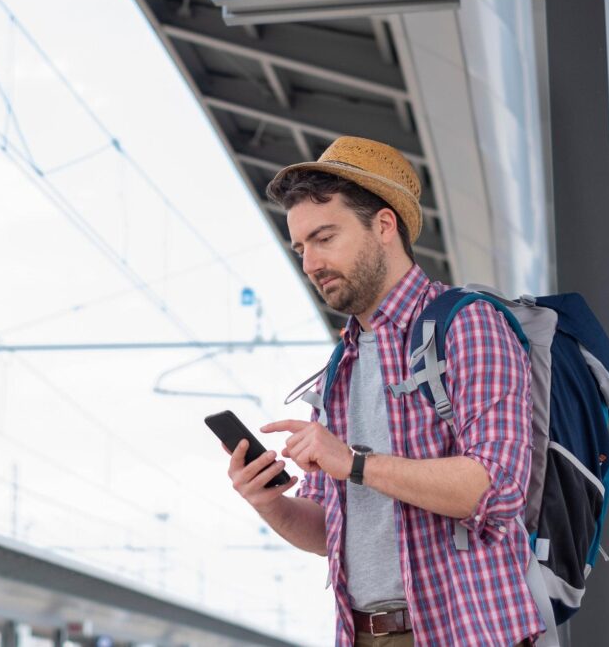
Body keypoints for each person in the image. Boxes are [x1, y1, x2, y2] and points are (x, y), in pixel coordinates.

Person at [224, 136, 543, 647]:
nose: (310, 264)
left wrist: (353, 462)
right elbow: (332, 531)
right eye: (302, 248)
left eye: (325, 237)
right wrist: (268, 503)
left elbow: (495, 489)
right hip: (365, 635)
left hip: (468, 634)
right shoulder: (339, 368)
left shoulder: (468, 325)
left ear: (384, 225)